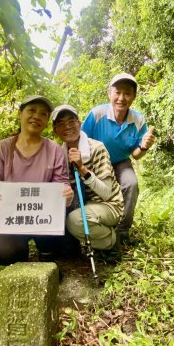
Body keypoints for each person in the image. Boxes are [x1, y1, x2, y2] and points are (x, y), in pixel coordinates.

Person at [0, 95, 74, 265]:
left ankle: (46, 261)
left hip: (43, 218)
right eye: (31, 110)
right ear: (20, 114)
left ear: (47, 121)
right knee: (2, 252)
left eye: (43, 114)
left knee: (62, 243)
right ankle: (20, 261)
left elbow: (62, 185)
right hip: (10, 220)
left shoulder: (54, 150)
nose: (36, 116)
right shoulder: (2, 148)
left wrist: (66, 194)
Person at [82, 73, 155, 244]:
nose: (122, 98)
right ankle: (92, 226)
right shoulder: (97, 114)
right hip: (96, 163)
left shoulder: (138, 120)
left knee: (131, 184)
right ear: (109, 93)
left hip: (121, 162)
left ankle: (122, 231)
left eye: (127, 93)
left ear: (134, 96)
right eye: (117, 92)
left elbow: (136, 155)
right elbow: (82, 141)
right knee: (95, 189)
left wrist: (144, 145)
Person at [52, 104, 124, 252]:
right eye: (60, 124)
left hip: (108, 205)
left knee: (74, 221)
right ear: (55, 130)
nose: (67, 127)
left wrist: (82, 168)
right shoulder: (59, 155)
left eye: (71, 121)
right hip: (82, 205)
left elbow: (106, 193)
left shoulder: (96, 148)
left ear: (79, 123)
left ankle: (110, 240)